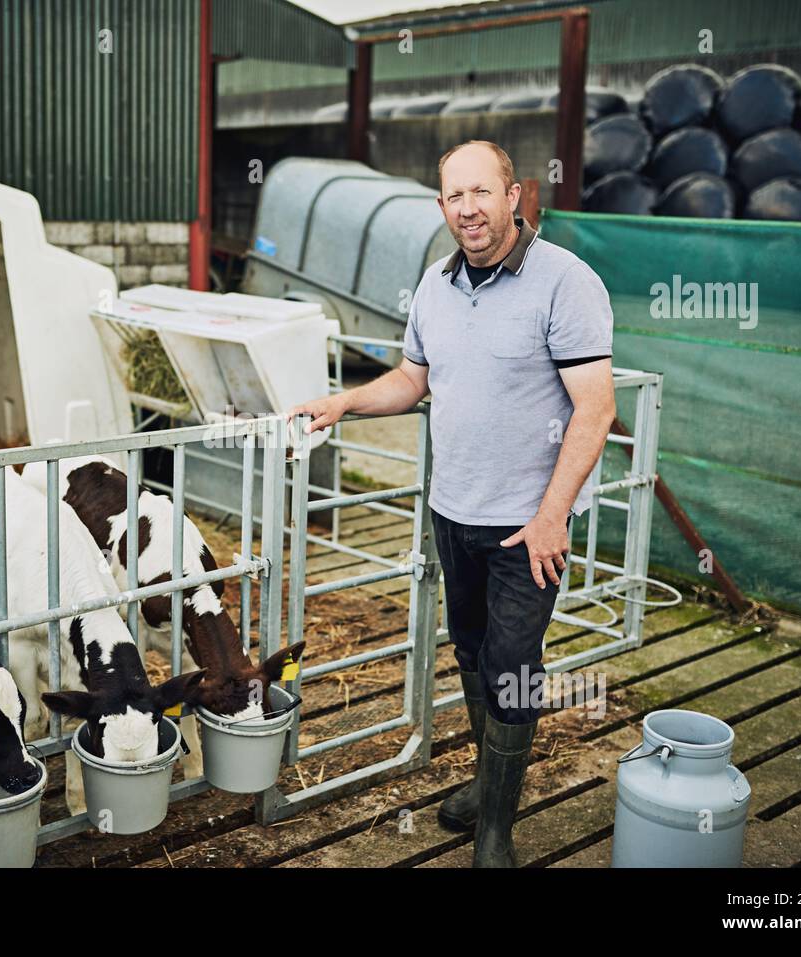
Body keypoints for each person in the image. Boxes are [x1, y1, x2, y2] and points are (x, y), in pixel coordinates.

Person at [288, 140, 615, 867]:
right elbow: (412, 379)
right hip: (454, 509)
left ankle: (496, 829)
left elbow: (594, 409)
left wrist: (553, 513)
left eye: (481, 192)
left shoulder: (566, 282)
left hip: (529, 523)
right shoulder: (436, 283)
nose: (467, 208)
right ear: (441, 208)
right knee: (470, 652)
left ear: (515, 195)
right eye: (453, 196)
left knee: (512, 665)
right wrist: (344, 401)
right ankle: (484, 785)